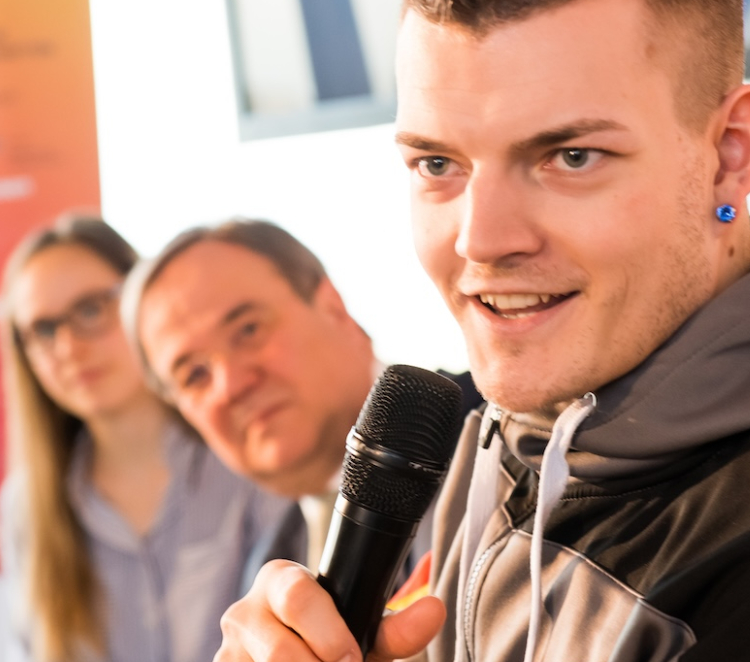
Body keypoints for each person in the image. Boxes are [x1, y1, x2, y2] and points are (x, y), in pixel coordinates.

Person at [215, 1, 750, 661]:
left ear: (729, 156)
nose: (481, 239)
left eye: (569, 157)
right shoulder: (525, 414)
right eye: (438, 165)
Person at [0, 212, 290, 662]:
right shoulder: (27, 506)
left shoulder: (245, 453)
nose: (70, 347)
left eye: (91, 309)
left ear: (141, 302)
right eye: (44, 330)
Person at [120, 219, 482, 570]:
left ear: (333, 308)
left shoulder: (507, 445)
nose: (231, 384)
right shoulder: (270, 570)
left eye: (248, 330)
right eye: (195, 375)